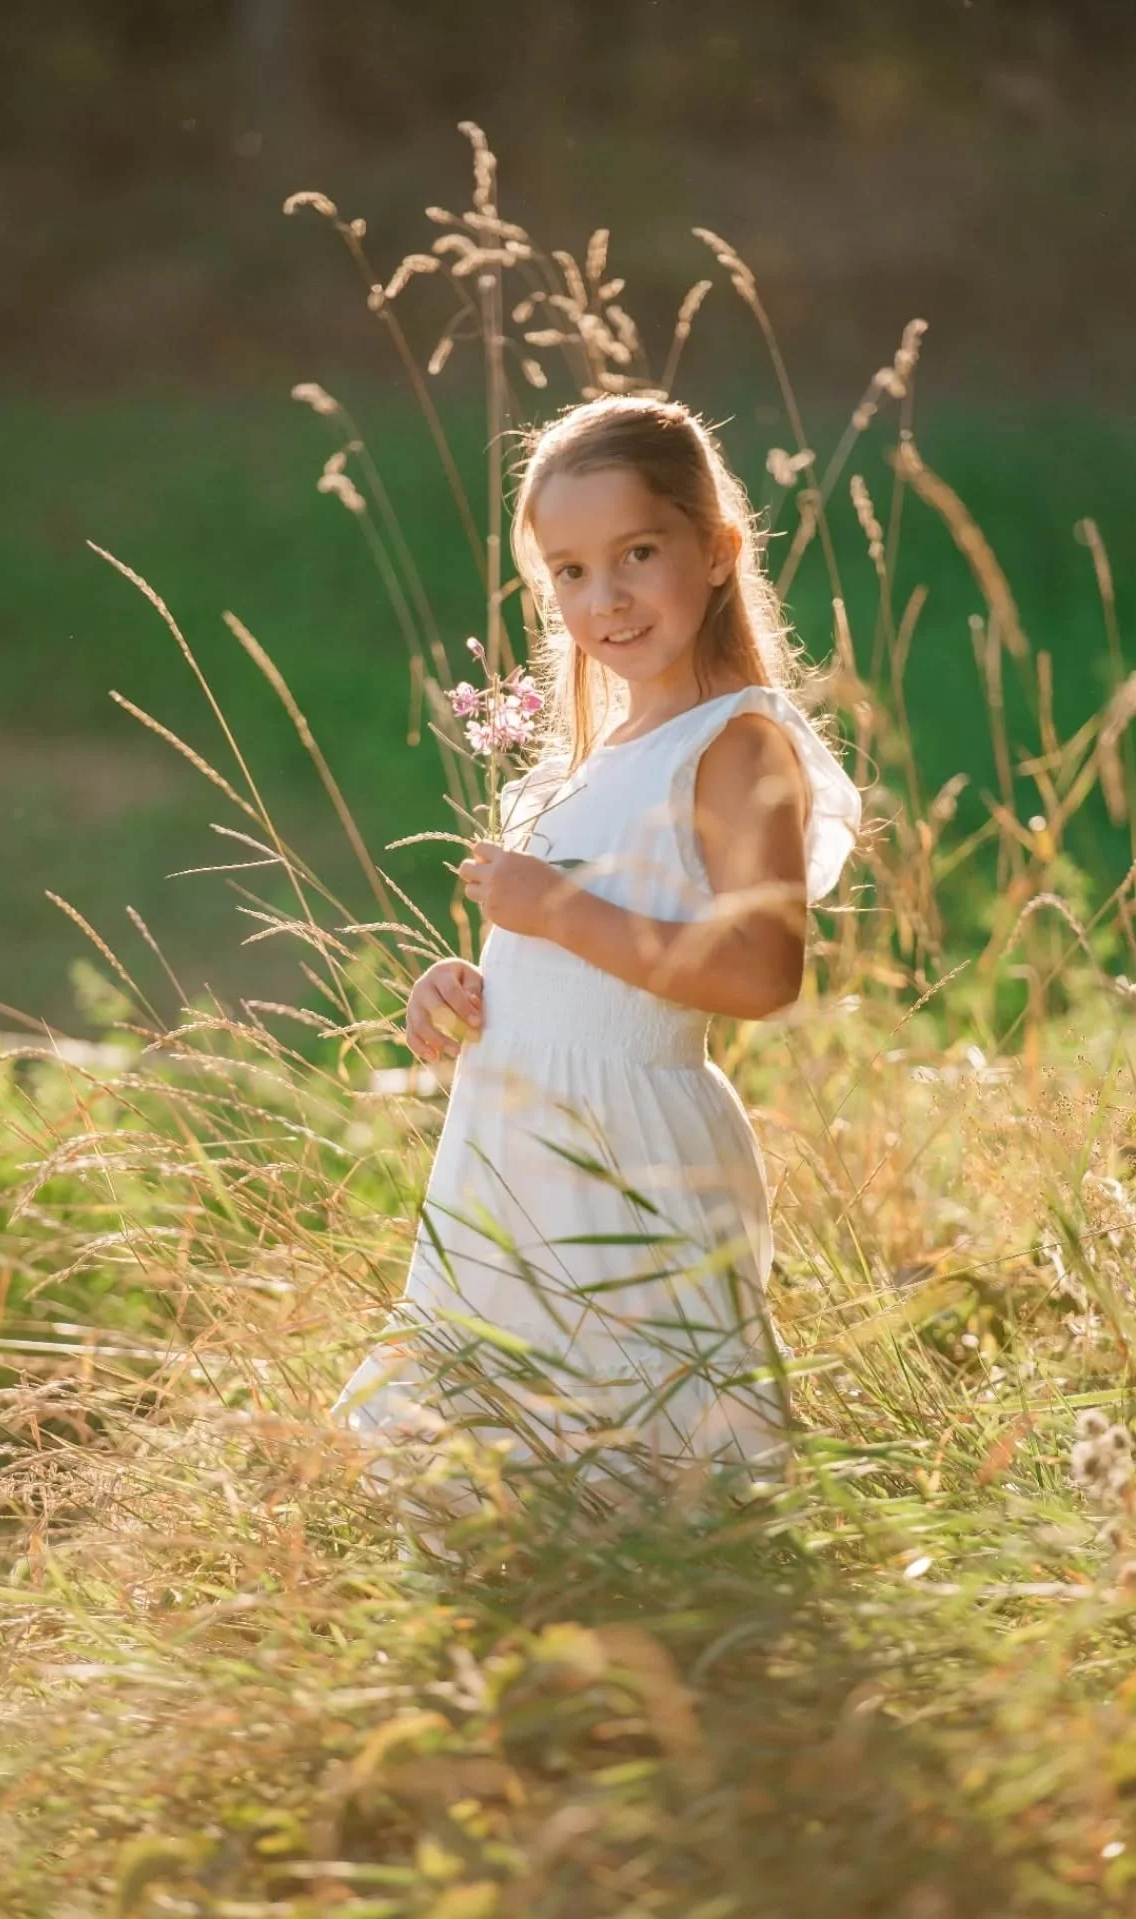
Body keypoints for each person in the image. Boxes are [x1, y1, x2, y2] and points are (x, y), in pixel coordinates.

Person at [331, 394, 863, 1528]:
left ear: (717, 552)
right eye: (569, 571)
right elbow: (569, 937)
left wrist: (559, 911)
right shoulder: (592, 754)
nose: (605, 597)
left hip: (631, 1145)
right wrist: (470, 980)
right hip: (515, 1134)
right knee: (477, 1463)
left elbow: (763, 972)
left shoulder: (734, 741)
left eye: (637, 553)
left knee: (634, 1462)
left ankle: (661, 1657)